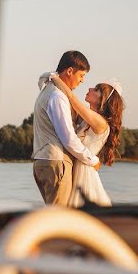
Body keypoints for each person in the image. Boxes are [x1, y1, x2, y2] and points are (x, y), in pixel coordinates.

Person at [32, 51, 101, 205]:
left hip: (43, 161)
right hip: (56, 162)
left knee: (53, 214)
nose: (82, 81)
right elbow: (68, 139)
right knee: (60, 216)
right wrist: (93, 160)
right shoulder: (57, 96)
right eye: (81, 75)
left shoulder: (47, 90)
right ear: (70, 71)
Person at [50, 73, 125, 207]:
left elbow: (71, 98)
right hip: (79, 167)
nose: (90, 88)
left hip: (85, 172)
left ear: (103, 100)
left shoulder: (100, 121)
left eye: (96, 90)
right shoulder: (88, 120)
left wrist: (55, 78)